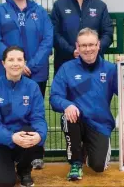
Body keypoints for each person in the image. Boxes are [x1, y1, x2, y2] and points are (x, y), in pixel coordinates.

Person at [0, 0, 52, 169]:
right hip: (7, 73)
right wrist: (14, 64)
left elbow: (47, 40)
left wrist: (29, 65)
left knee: (33, 113)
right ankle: (8, 152)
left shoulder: (39, 12)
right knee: (6, 113)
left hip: (35, 73)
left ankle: (34, 154)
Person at [50, 28, 118, 181]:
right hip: (77, 120)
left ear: (98, 45)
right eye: (83, 45)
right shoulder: (67, 68)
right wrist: (67, 104)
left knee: (98, 166)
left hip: (100, 124)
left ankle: (87, 148)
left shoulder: (110, 69)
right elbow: (54, 97)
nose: (88, 49)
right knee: (69, 117)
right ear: (77, 47)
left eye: (91, 44)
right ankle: (76, 162)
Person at [0, 46, 47, 187]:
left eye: (19, 59)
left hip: (22, 137)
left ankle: (24, 171)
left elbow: (38, 118)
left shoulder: (32, 87)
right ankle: (5, 163)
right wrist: (11, 137)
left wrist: (40, 136)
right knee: (5, 182)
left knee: (32, 131)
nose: (15, 63)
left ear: (24, 63)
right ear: (3, 63)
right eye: (11, 59)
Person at [51, 0, 113, 74]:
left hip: (94, 63)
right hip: (65, 62)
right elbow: (55, 34)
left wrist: (94, 50)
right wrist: (72, 51)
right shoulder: (59, 5)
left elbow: (108, 34)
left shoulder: (100, 6)